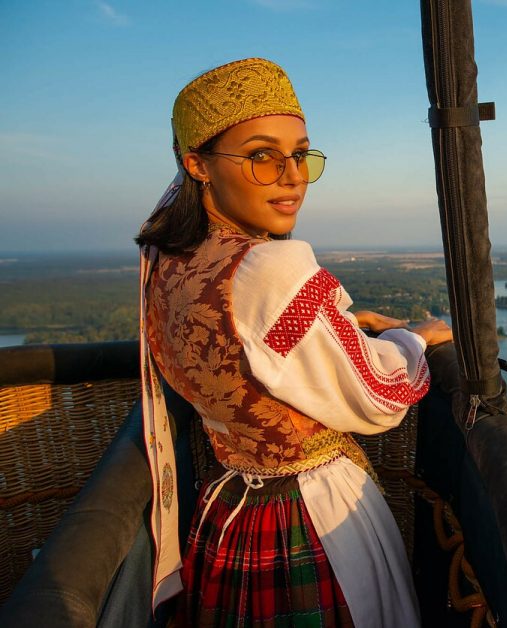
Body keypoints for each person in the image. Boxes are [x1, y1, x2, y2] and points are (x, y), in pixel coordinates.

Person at [135, 57, 452, 627]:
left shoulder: (169, 263)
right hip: (310, 520)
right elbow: (376, 396)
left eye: (301, 153)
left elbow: (253, 355)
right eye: (261, 155)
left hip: (227, 511)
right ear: (197, 164)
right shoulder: (271, 268)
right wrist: (414, 338)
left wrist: (342, 330)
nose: (292, 174)